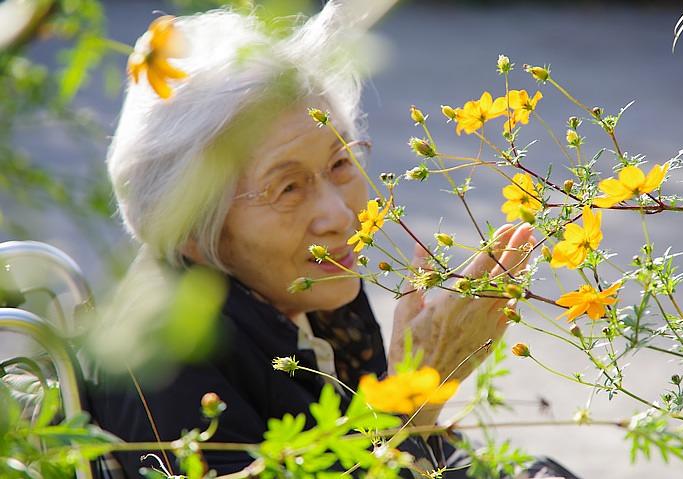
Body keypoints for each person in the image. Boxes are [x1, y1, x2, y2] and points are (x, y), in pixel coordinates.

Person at [87, 4, 580, 478]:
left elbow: (431, 461)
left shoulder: (306, 290)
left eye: (341, 162)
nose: (341, 214)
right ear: (192, 225)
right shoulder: (167, 360)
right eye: (288, 187)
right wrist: (418, 391)